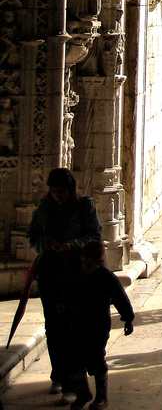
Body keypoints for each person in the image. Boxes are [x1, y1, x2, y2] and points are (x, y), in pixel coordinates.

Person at [26, 168, 103, 395]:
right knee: (53, 325)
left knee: (74, 325)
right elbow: (32, 236)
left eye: (62, 191)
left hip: (76, 274)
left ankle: (73, 378)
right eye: (54, 191)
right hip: (50, 273)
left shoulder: (84, 207)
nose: (58, 195)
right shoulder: (45, 208)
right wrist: (47, 244)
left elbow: (95, 237)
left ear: (71, 189)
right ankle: (58, 373)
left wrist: (73, 245)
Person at [68, 239, 134, 410]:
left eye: (88, 263)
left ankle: (101, 396)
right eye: (83, 262)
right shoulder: (78, 276)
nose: (85, 266)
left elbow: (120, 298)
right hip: (79, 324)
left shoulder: (106, 277)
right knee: (75, 358)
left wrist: (128, 318)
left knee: (96, 358)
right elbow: (70, 295)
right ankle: (82, 393)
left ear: (100, 262)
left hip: (98, 325)